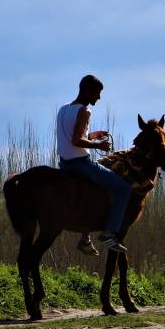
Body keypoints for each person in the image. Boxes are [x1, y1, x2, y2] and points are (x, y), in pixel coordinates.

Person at [56, 74, 130, 254]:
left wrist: (91, 136)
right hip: (80, 164)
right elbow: (75, 140)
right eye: (97, 93)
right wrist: (100, 145)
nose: (99, 97)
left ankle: (85, 237)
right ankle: (109, 233)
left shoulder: (64, 109)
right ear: (88, 91)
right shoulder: (85, 111)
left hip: (65, 164)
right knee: (123, 189)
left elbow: (71, 136)